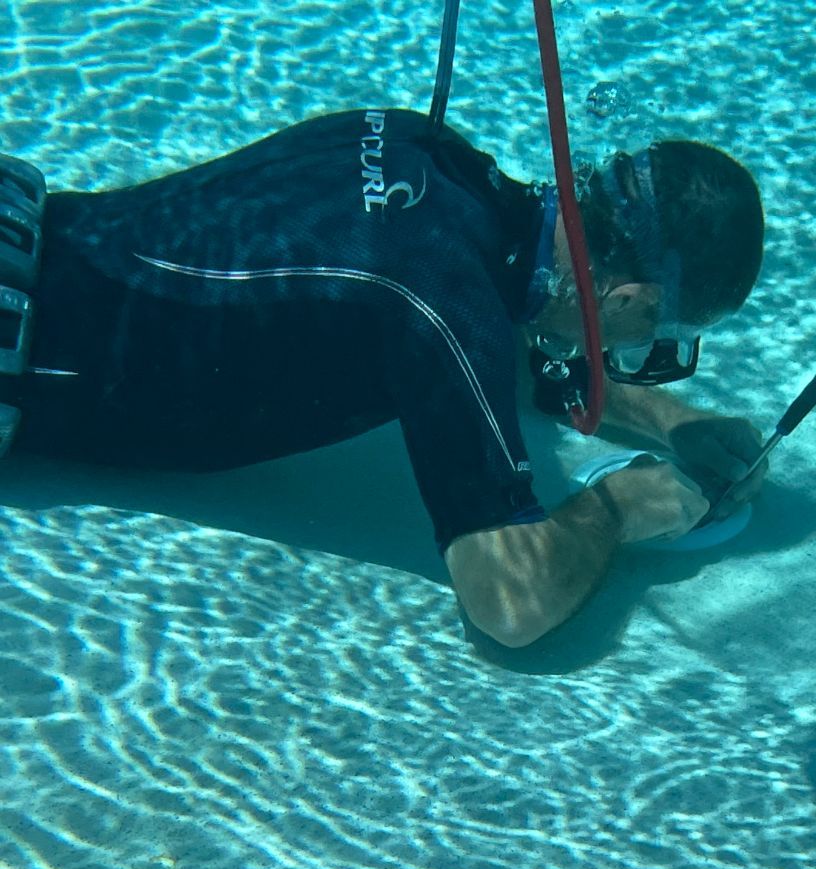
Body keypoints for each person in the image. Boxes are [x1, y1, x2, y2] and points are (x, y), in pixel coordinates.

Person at [0, 108, 767, 647]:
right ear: (630, 301)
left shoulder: (420, 145)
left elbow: (511, 333)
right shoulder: (441, 307)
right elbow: (509, 604)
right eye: (650, 341)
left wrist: (671, 419)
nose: (629, 358)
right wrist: (612, 510)